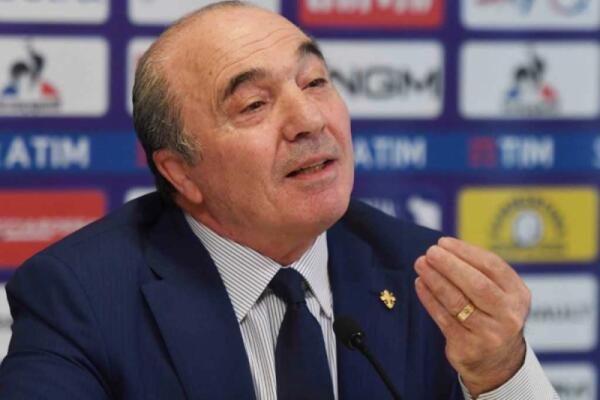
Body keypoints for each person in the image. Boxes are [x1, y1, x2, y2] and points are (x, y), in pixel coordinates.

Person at [0, 1, 558, 399]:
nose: (310, 119)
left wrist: (500, 373)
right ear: (181, 172)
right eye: (254, 105)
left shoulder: (424, 275)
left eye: (314, 82)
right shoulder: (80, 296)